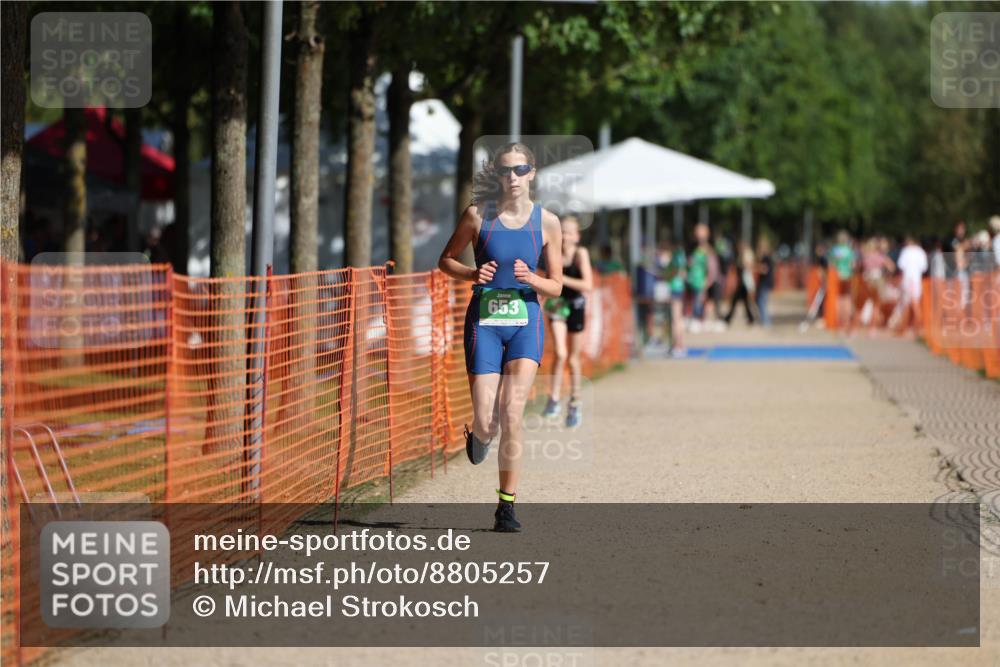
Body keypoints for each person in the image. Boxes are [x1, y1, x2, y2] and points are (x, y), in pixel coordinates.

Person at [437, 142, 563, 533]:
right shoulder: (477, 216)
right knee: (487, 418)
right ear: (498, 174)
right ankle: (479, 432)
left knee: (512, 412)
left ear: (533, 173)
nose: (513, 178)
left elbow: (557, 285)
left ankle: (505, 506)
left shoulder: (548, 222)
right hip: (485, 324)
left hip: (525, 321)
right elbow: (446, 260)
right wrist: (471, 275)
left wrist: (534, 279)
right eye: (507, 171)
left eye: (521, 170)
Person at [542, 215, 593, 428]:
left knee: (573, 358)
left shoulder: (581, 254)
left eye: (569, 232)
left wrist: (561, 279)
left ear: (577, 236)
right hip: (557, 305)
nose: (565, 236)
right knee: (560, 353)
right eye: (562, 231)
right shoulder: (551, 251)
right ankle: (553, 398)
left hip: (577, 306)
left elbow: (587, 284)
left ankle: (575, 401)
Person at [893, 234, 927, 338]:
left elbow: (901, 266)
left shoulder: (906, 251)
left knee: (911, 304)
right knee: (911, 304)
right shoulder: (921, 252)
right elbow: (924, 268)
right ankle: (907, 328)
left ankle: (917, 327)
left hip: (908, 280)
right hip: (917, 280)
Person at [724, 241, 757, 326]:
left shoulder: (745, 261)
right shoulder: (739, 258)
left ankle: (728, 318)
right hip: (741, 285)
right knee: (743, 303)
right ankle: (750, 318)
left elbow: (748, 269)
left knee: (737, 302)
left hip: (743, 285)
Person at [829, 231, 856, 333]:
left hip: (836, 277)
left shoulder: (835, 250)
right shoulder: (849, 251)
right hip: (847, 276)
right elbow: (853, 265)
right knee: (847, 299)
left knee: (838, 299)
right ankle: (847, 323)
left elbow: (831, 265)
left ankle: (839, 322)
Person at [686, 223, 711, 332]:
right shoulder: (692, 249)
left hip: (700, 280)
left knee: (699, 300)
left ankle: (698, 319)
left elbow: (708, 266)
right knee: (693, 299)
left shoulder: (706, 250)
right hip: (691, 279)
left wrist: (707, 278)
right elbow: (689, 262)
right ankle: (694, 318)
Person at [755, 236, 774, 328]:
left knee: (762, 302)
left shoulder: (766, 258)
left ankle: (766, 322)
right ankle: (765, 320)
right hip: (764, 283)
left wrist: (756, 268)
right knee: (761, 302)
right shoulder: (765, 257)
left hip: (765, 283)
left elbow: (765, 269)